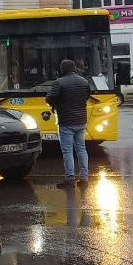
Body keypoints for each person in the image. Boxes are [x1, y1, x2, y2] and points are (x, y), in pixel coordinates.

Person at [45, 59, 92, 188]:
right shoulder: (84, 81)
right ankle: (84, 178)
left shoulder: (59, 83)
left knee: (67, 151)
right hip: (81, 120)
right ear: (74, 68)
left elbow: (49, 99)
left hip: (66, 121)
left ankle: (70, 179)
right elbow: (87, 96)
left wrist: (58, 102)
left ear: (62, 70)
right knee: (81, 149)